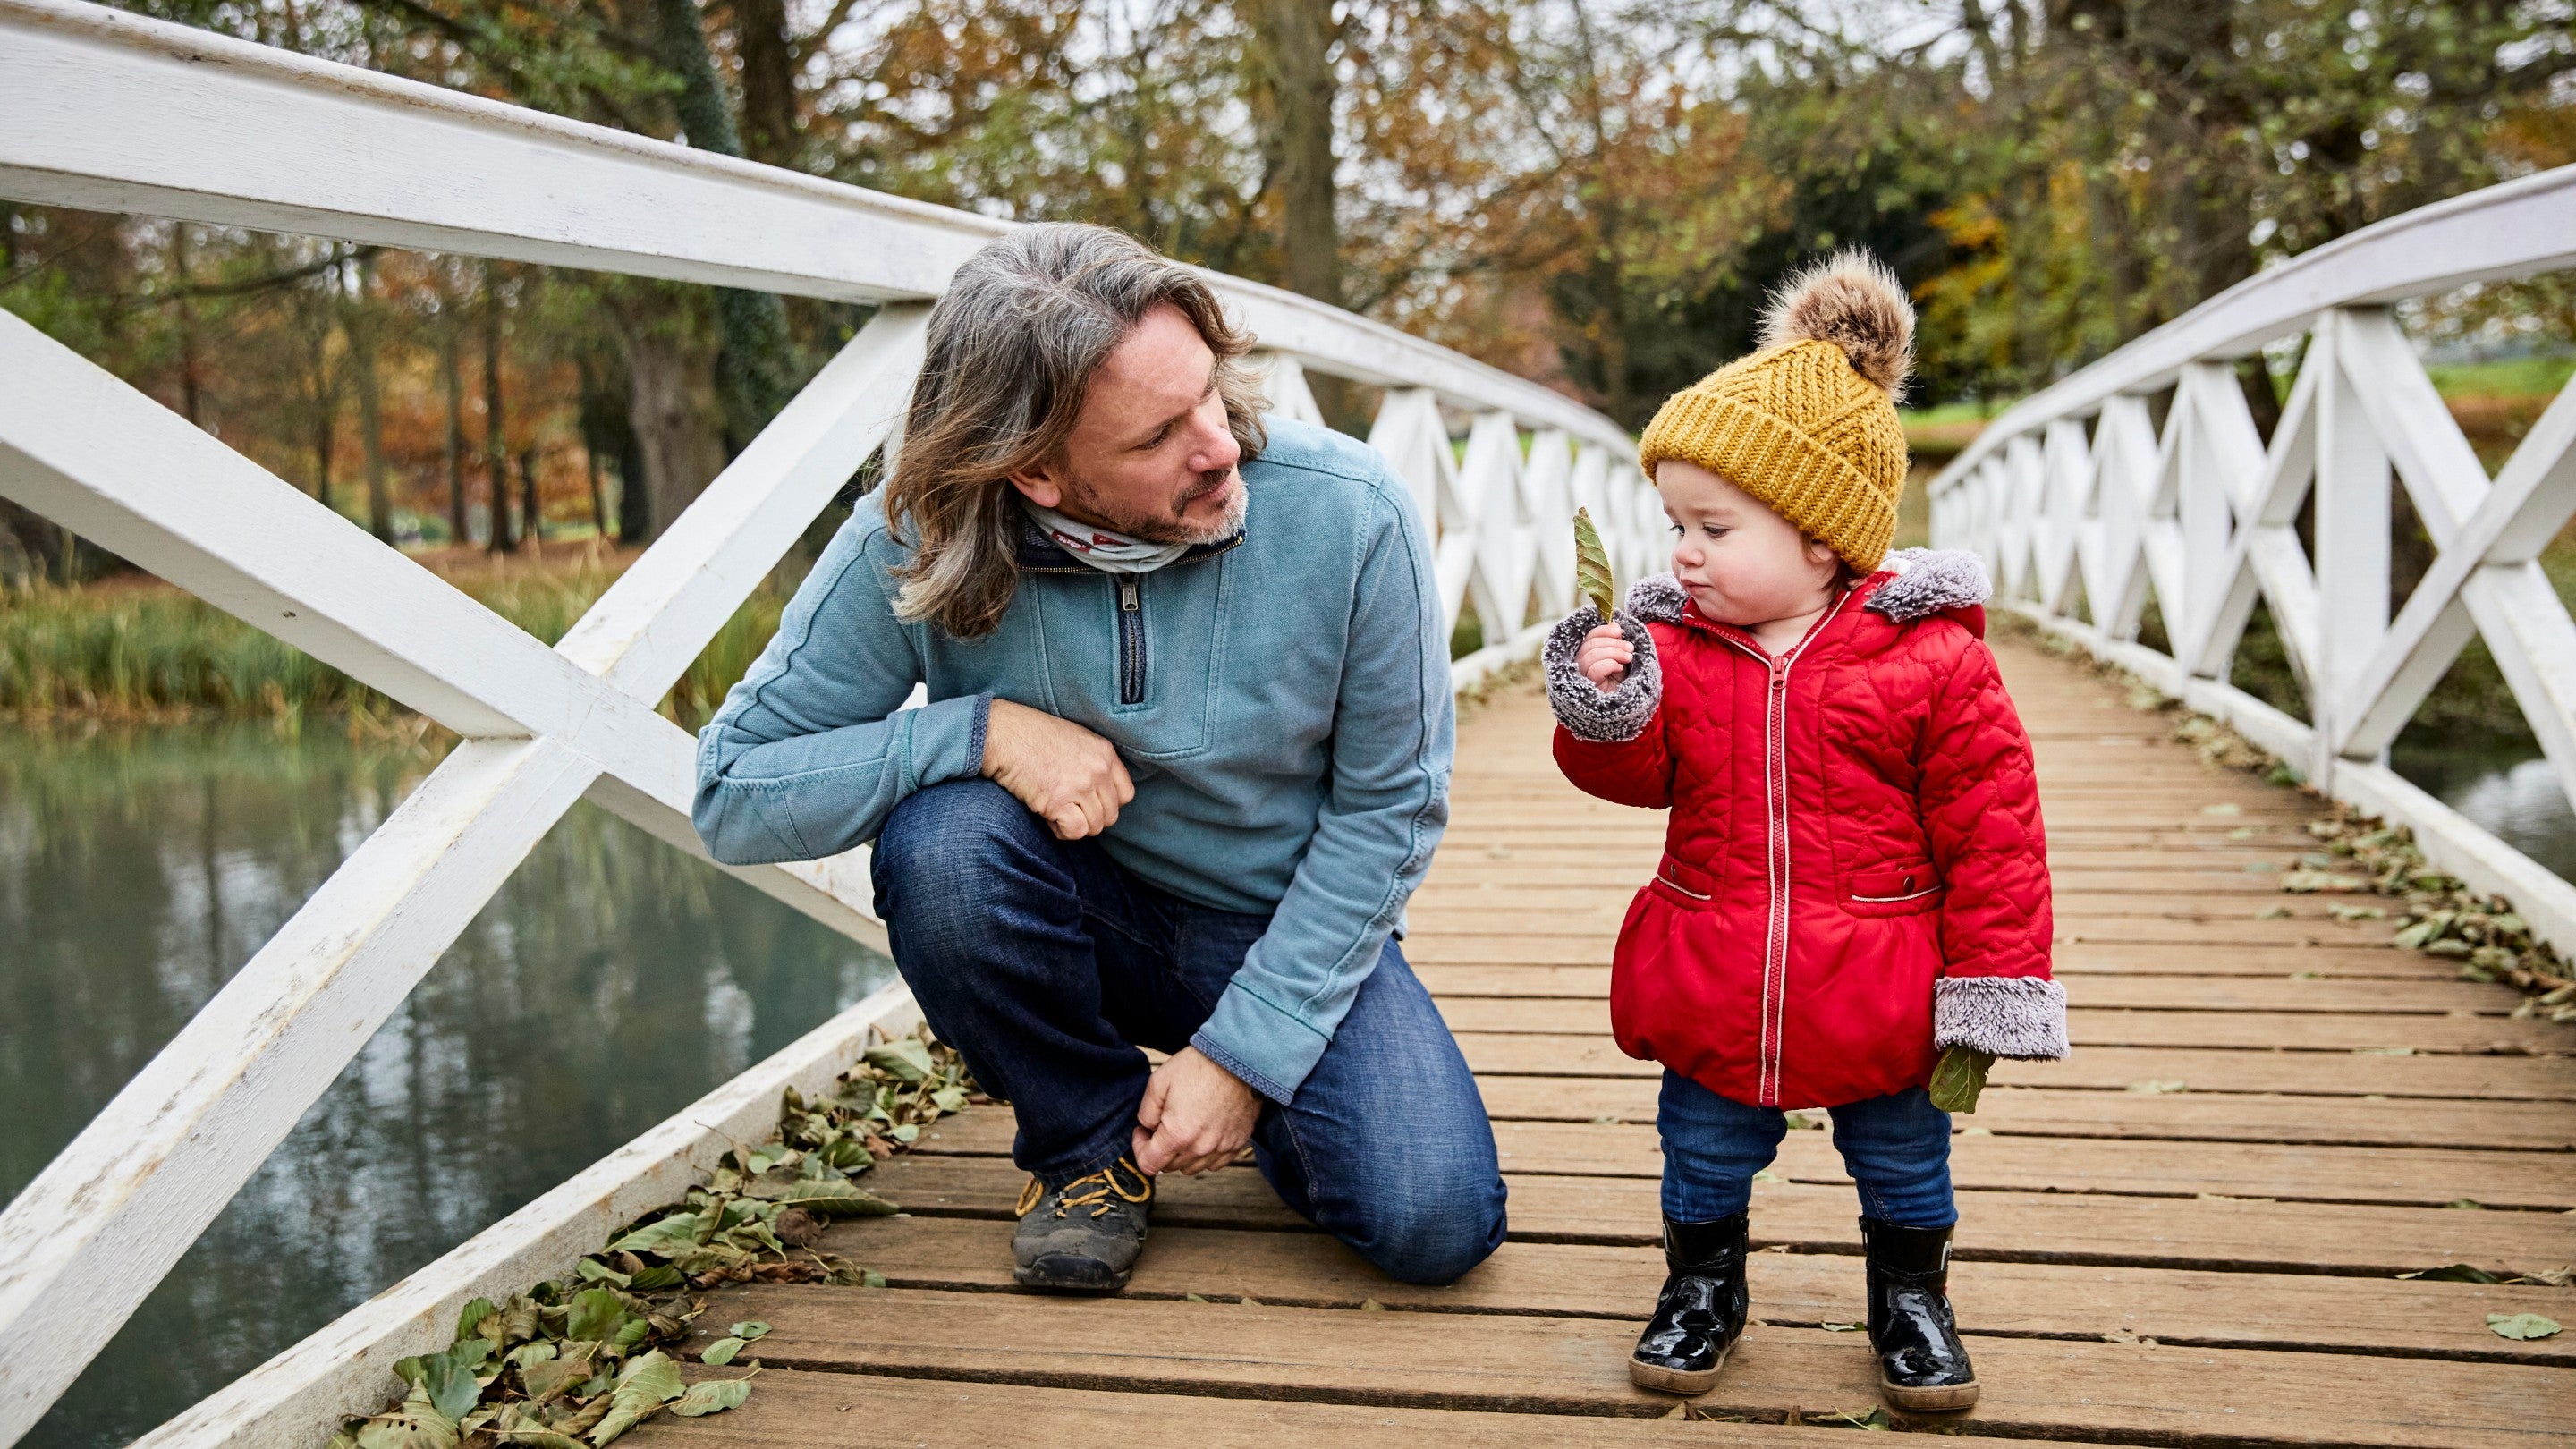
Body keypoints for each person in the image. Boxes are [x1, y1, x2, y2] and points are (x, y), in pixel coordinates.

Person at [692, 222, 1505, 1294]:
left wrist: (1248, 1057)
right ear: (1033, 469)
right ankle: (1082, 1149)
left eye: (1210, 395)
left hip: (1279, 924)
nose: (1217, 445)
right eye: (1158, 434)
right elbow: (732, 793)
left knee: (1432, 1223)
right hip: (1075, 914)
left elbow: (1389, 811)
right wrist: (976, 733)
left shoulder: (1351, 512)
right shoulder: (917, 534)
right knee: (943, 842)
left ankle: (1235, 1097)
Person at [1542, 252, 2063, 1411]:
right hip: (1718, 969)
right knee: (1703, 1150)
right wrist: (1609, 703)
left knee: (1904, 1160)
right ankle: (1702, 1287)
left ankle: (1912, 1299)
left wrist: (1994, 986)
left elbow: (1997, 835)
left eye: (1713, 526)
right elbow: (1627, 782)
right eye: (1674, 521)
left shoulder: (1936, 664)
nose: (1680, 551)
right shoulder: (1677, 647)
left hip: (1883, 978)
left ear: (1822, 539)